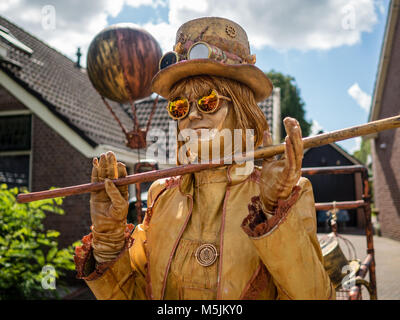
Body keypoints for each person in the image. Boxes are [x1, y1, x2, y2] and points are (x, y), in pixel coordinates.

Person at [74, 17, 334, 300]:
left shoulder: (287, 195)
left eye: (208, 101)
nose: (193, 115)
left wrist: (272, 213)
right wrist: (108, 240)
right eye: (179, 106)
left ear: (242, 111)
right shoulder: (161, 196)